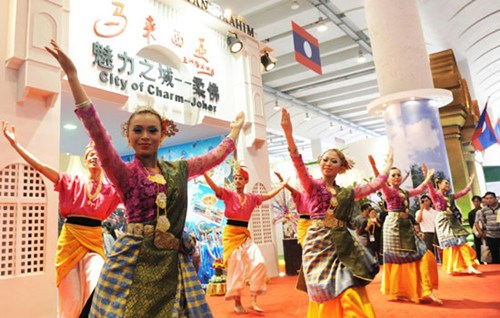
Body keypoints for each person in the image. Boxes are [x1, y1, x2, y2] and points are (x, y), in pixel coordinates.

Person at [45, 39, 245, 317]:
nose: (145, 136)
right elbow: (96, 129)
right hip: (132, 260)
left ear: (162, 135)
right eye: (137, 130)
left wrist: (235, 131)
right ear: (128, 136)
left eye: (152, 130)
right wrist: (74, 77)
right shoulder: (123, 173)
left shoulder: (179, 169)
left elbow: (215, 156)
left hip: (172, 264)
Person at [281, 107, 393, 318]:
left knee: (349, 285)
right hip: (318, 243)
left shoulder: (348, 193)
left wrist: (387, 166)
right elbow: (298, 164)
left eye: (334, 160)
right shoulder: (312, 186)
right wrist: (288, 134)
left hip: (343, 244)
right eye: (325, 159)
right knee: (326, 290)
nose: (328, 163)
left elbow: (375, 184)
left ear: (341, 167)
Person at [2, 122, 121, 317]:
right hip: (69, 241)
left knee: (99, 284)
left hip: (94, 242)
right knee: (71, 301)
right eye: (91, 154)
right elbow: (41, 167)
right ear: (85, 158)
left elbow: (140, 190)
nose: (94, 158)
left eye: (98, 155)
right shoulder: (71, 181)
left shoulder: (110, 191)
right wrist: (15, 144)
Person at [203, 165, 287, 314]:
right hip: (230, 234)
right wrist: (204, 173)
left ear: (246, 180)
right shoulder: (228, 194)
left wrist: (282, 186)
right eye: (235, 178)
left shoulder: (252, 198)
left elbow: (267, 196)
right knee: (236, 268)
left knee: (259, 262)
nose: (237, 181)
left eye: (240, 178)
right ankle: (237, 303)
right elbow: (214, 187)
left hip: (244, 233)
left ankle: (253, 299)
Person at [371, 162, 441, 305]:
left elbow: (420, 188)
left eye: (398, 174)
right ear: (388, 179)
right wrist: (374, 166)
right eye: (393, 175)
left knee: (426, 256)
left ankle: (424, 290)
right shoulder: (387, 191)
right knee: (400, 261)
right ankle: (404, 291)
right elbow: (380, 180)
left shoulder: (405, 192)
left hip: (406, 227)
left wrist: (427, 176)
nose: (397, 177)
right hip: (393, 227)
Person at [427, 175, 480, 275]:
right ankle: (452, 267)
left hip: (453, 221)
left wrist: (471, 181)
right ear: (439, 184)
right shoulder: (436, 196)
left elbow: (463, 192)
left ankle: (469, 265)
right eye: (446, 183)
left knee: (462, 242)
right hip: (443, 221)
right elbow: (430, 189)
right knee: (451, 246)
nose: (448, 185)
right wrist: (427, 176)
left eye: (448, 183)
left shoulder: (451, 197)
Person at [477, 192, 500, 264]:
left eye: (491, 198)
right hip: (490, 235)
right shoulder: (483, 210)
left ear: (495, 198)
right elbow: (482, 221)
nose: (489, 200)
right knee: (494, 254)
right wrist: (487, 228)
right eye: (487, 199)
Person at [468, 195, 483, 262]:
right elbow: (471, 224)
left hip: (485, 232)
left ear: (480, 202)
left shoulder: (484, 210)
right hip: (476, 232)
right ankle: (480, 261)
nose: (476, 203)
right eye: (474, 201)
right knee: (478, 247)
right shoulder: (471, 213)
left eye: (477, 201)